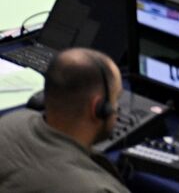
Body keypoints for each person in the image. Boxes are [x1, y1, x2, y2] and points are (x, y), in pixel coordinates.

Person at [0, 48, 129, 192]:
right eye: (116, 99)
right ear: (98, 108)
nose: (117, 109)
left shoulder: (11, 122)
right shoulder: (98, 189)